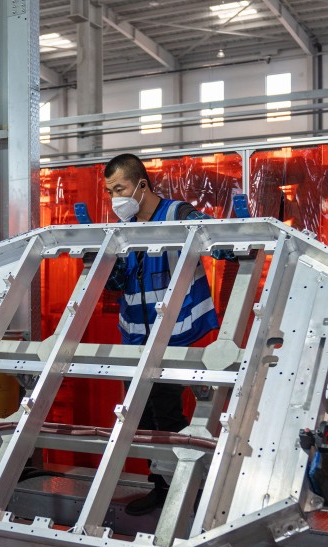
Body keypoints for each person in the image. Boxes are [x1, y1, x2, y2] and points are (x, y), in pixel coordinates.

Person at [102, 153, 227, 515]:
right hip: (135, 336)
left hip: (174, 333)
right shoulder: (125, 227)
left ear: (141, 184)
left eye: (120, 188)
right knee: (139, 419)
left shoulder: (178, 214)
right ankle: (161, 486)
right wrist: (99, 263)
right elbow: (120, 281)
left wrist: (233, 248)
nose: (115, 198)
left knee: (168, 415)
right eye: (110, 191)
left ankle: (193, 491)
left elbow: (217, 239)